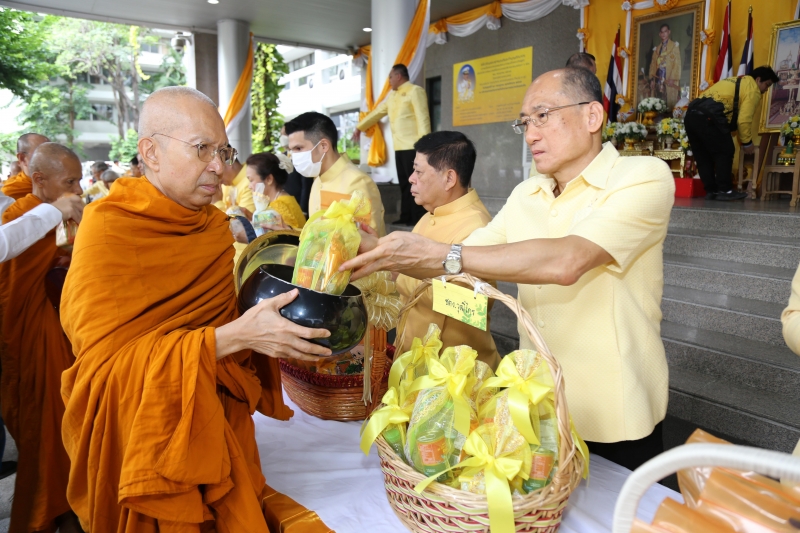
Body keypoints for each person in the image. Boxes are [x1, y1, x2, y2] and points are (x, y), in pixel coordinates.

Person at [343, 68, 676, 472]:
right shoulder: (527, 193)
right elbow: (469, 257)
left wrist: (445, 255)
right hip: (535, 402)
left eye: (543, 116)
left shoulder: (642, 177)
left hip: (614, 410)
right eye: (525, 122)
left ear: (592, 117)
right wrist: (369, 246)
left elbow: (568, 260)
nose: (531, 134)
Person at [59, 86, 334, 533]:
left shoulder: (210, 228)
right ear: (150, 152)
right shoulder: (110, 227)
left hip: (211, 418)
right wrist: (236, 337)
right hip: (144, 434)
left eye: (223, 151)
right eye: (202, 148)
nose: (219, 167)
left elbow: (221, 323)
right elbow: (105, 371)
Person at [0, 142, 84, 533]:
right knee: (47, 430)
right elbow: (15, 278)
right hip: (35, 332)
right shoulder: (22, 212)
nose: (78, 191)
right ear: (39, 179)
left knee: (67, 425)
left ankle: (70, 504)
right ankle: (48, 510)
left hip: (60, 330)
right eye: (70, 181)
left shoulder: (54, 214)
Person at [396, 131, 500, 369]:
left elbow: (468, 307)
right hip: (415, 358)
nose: (411, 178)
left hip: (452, 372)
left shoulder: (476, 227)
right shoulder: (430, 215)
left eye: (419, 171)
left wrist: (397, 268)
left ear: (449, 178)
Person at [684, 65, 778, 201]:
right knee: (725, 150)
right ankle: (725, 190)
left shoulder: (733, 80)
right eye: (767, 85)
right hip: (709, 119)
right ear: (758, 80)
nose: (766, 90)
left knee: (703, 155)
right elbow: (744, 120)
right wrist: (747, 143)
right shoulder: (753, 89)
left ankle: (711, 191)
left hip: (691, 116)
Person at [285, 111, 386, 235]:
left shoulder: (357, 183)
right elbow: (316, 234)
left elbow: (366, 241)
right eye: (292, 150)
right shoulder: (318, 180)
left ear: (323, 145)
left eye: (298, 148)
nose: (293, 156)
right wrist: (287, 231)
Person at [357, 63, 430, 226]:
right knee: (404, 184)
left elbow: (423, 118)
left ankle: (418, 218)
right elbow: (376, 113)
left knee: (417, 183)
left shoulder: (415, 91)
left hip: (414, 147)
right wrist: (359, 127)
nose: (389, 81)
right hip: (399, 148)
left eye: (390, 77)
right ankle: (406, 217)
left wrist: (425, 147)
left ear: (398, 76)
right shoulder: (392, 97)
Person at [245, 151, 306, 230]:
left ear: (269, 179)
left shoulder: (279, 206)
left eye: (251, 180)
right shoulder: (279, 200)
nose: (249, 186)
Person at [3, 133, 49, 199]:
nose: (50, 161)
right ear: (23, 158)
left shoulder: (59, 183)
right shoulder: (9, 194)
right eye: (43, 155)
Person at [647, 24, 681, 107]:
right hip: (658, 77)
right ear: (659, 34)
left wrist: (672, 78)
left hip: (669, 78)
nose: (663, 34)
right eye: (662, 32)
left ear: (669, 32)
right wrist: (652, 79)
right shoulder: (657, 49)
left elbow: (677, 63)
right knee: (658, 100)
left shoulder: (674, 46)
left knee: (668, 102)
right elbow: (652, 65)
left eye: (665, 31)